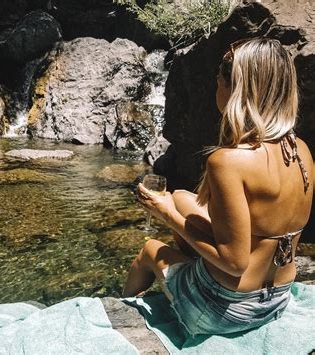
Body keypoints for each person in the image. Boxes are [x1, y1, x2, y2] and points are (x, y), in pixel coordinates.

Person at [122, 38, 314, 336]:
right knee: (183, 198)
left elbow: (234, 263)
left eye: (219, 79)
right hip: (277, 298)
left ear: (236, 89)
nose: (216, 85)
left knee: (150, 250)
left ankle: (122, 314)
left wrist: (165, 214)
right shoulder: (300, 149)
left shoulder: (227, 161)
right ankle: (193, 268)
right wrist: (175, 205)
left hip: (230, 310)